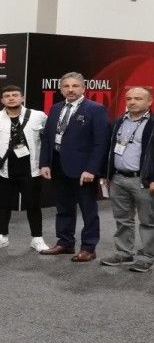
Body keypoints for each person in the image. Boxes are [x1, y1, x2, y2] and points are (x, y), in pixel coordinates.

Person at [39, 72, 108, 262]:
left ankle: (88, 248)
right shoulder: (55, 108)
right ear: (61, 89)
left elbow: (100, 143)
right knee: (63, 208)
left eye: (75, 86)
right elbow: (48, 139)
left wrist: (92, 169)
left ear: (83, 88)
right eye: (66, 86)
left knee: (88, 210)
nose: (70, 89)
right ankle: (65, 243)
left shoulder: (96, 109)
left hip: (84, 170)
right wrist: (45, 163)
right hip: (58, 165)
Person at [0, 85, 49, 252]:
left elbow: (48, 141)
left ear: (22, 98)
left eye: (15, 95)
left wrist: (47, 163)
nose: (11, 98)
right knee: (2, 205)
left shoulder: (39, 116)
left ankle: (37, 239)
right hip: (3, 171)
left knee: (33, 205)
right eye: (7, 96)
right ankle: (2, 237)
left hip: (31, 170)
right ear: (2, 100)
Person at [99, 86, 154, 272]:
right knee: (123, 219)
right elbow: (110, 149)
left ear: (149, 102)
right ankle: (124, 253)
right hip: (118, 178)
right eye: (129, 98)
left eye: (138, 98)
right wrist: (107, 175)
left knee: (148, 221)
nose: (132, 102)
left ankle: (147, 257)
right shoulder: (119, 121)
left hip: (143, 180)